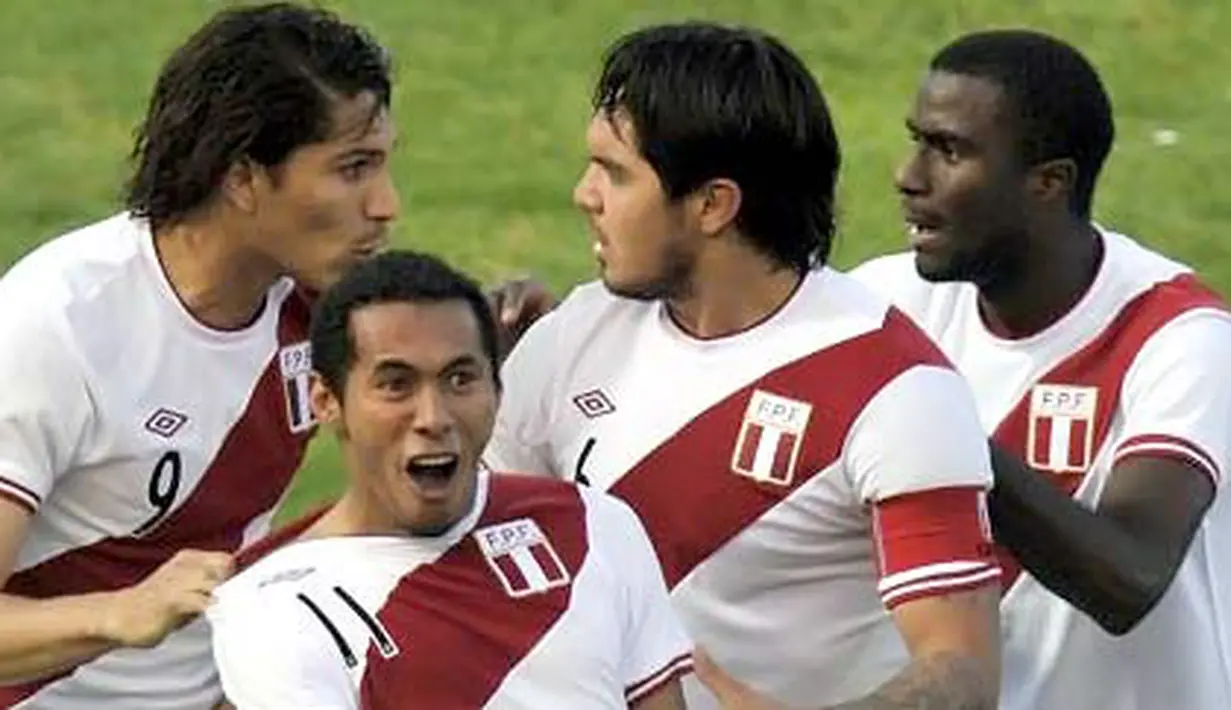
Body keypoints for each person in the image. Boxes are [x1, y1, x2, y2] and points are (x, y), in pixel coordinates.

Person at [0, 4, 547, 708]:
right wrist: (120, 611)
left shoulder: (313, 298)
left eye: (382, 165)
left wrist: (488, 344)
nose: (385, 204)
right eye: (353, 169)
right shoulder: (54, 328)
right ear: (243, 178)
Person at [484, 22, 1003, 710]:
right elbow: (484, 553)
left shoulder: (891, 388)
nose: (584, 194)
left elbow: (962, 671)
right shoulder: (572, 336)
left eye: (614, 172)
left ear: (711, 205)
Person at [842, 29, 1231, 710]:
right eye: (916, 140)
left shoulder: (1177, 338)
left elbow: (1129, 576)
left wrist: (936, 434)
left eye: (949, 150)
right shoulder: (884, 305)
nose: (908, 175)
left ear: (1048, 183)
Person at [207, 250, 691, 709]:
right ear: (327, 402)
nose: (433, 417)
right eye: (396, 384)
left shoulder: (591, 526)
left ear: (498, 387)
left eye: (460, 379)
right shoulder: (272, 608)